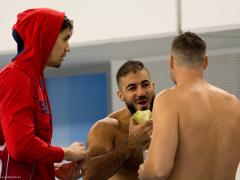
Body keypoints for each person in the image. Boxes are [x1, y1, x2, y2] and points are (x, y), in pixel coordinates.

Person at [138, 32, 240, 180]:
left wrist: (145, 170)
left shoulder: (169, 99)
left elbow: (158, 171)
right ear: (205, 62)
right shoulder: (235, 104)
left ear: (171, 60)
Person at [0, 8, 87, 179]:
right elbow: (21, 145)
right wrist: (66, 152)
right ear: (45, 38)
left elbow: (17, 151)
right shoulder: (16, 77)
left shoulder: (31, 78)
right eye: (65, 39)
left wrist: (51, 168)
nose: (68, 48)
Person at [83, 60, 155, 180]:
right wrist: (131, 143)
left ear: (153, 86)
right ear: (120, 95)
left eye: (145, 84)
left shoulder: (167, 119)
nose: (141, 92)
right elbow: (89, 176)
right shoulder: (107, 128)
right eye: (132, 88)